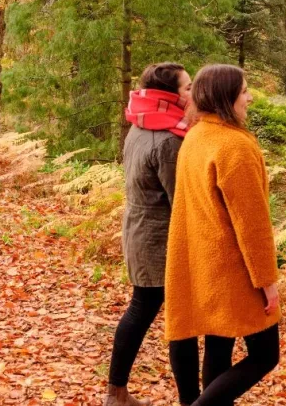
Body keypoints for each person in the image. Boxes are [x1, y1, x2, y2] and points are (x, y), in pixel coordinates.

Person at [164, 64, 281, 406]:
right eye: (244, 91)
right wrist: (267, 281)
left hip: (203, 262)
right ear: (226, 97)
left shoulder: (196, 137)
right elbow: (253, 224)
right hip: (235, 269)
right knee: (265, 355)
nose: (250, 97)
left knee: (219, 345)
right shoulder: (235, 146)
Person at [105, 62, 194, 406]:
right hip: (160, 240)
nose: (192, 93)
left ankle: (117, 392)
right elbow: (180, 201)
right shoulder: (168, 140)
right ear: (169, 95)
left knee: (145, 308)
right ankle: (188, 400)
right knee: (173, 318)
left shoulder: (141, 124)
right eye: (187, 88)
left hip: (139, 230)